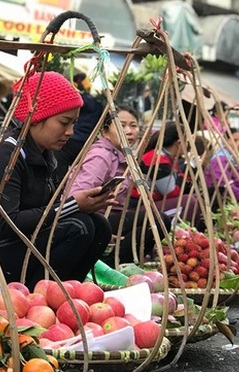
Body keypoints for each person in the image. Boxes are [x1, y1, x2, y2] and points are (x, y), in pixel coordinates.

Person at [0, 71, 114, 294]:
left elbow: (44, 213)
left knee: (99, 225)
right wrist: (74, 205)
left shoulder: (47, 155)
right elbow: (8, 224)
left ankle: (60, 297)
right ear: (36, 117)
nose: (70, 132)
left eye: (74, 123)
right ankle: (38, 299)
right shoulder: (6, 154)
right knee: (79, 227)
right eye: (64, 122)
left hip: (14, 244)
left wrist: (84, 206)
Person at [67, 106, 170, 263]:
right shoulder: (101, 156)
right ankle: (109, 262)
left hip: (109, 220)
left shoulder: (124, 156)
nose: (129, 131)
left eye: (133, 125)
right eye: (121, 125)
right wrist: (102, 231)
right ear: (105, 132)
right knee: (158, 219)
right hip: (95, 222)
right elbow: (75, 196)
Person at [131, 123, 202, 228]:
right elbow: (171, 193)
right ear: (178, 143)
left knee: (197, 198)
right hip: (139, 207)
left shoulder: (169, 158)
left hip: (154, 203)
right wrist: (188, 168)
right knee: (189, 201)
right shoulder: (156, 159)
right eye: (187, 142)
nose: (188, 146)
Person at [54, 73, 103, 181]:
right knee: (81, 174)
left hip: (72, 140)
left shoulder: (83, 100)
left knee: (60, 172)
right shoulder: (99, 103)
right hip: (87, 143)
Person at [204, 128, 239, 204]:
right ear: (225, 141)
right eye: (235, 140)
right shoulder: (220, 159)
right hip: (221, 202)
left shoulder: (233, 159)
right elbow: (224, 184)